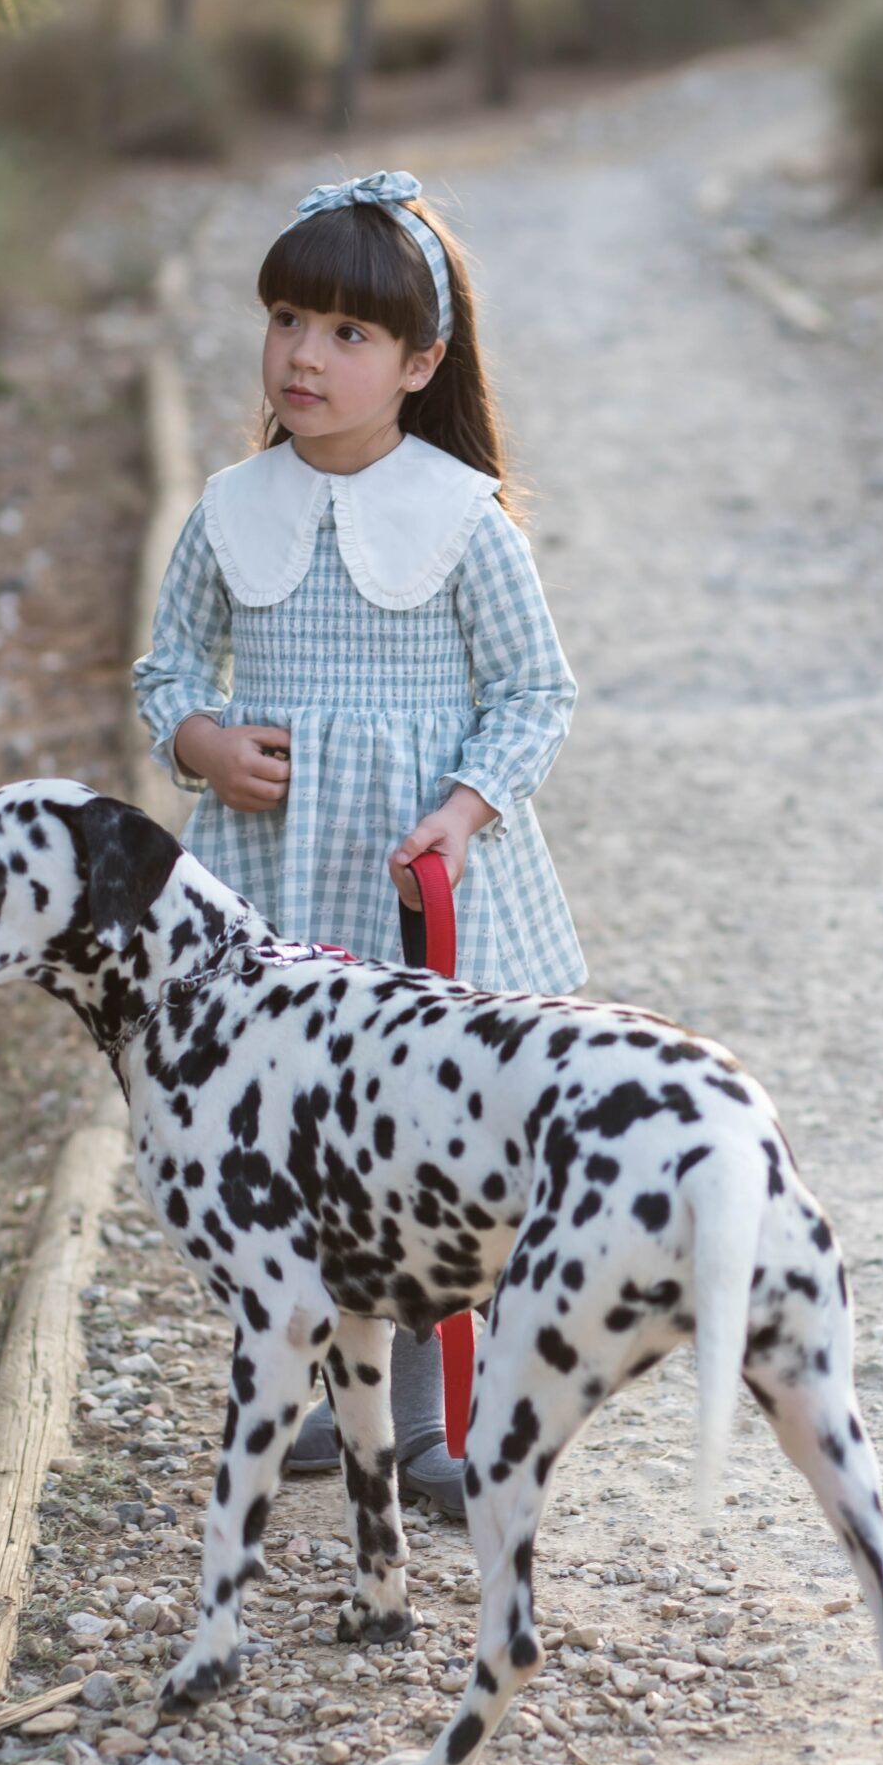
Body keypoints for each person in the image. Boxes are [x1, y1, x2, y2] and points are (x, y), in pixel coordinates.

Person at [131, 169, 584, 1518]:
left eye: (347, 334)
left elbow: (536, 693)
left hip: (413, 887)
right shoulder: (230, 508)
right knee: (285, 1136)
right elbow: (169, 669)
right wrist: (202, 741)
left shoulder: (460, 517)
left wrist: (465, 807)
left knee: (420, 1140)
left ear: (419, 363)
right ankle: (318, 1390)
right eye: (286, 321)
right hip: (273, 885)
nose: (304, 358)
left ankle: (435, 1416)